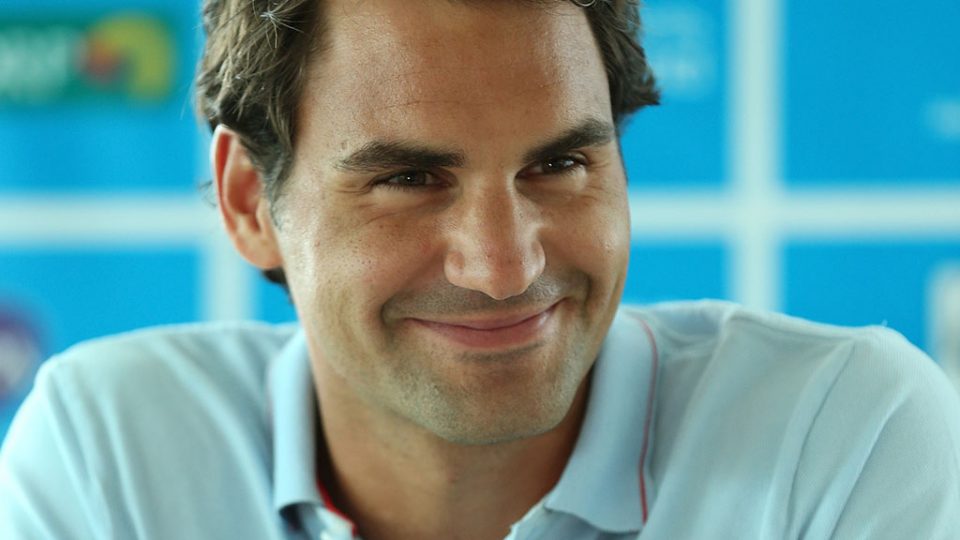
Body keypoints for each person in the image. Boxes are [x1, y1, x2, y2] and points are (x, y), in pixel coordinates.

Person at [2, 0, 959, 538]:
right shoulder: (110, 453)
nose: (505, 266)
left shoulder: (842, 437)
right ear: (251, 201)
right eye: (410, 178)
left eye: (559, 164)